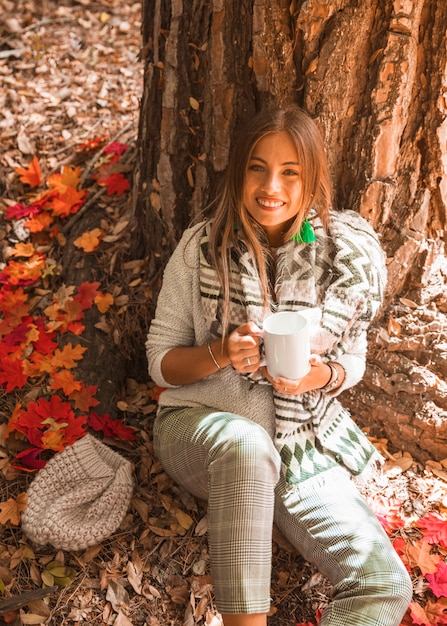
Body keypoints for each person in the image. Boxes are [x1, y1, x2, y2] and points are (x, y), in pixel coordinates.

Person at [146, 104, 412, 626]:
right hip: (200, 434)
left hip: (299, 449)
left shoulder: (340, 257)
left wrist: (320, 377)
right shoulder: (201, 247)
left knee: (384, 585)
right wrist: (221, 352)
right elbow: (161, 362)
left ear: (312, 180)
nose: (272, 186)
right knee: (246, 445)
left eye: (290, 172)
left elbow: (350, 362)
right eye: (257, 167)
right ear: (239, 171)